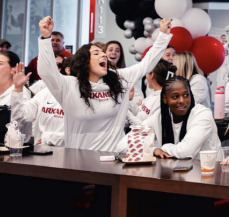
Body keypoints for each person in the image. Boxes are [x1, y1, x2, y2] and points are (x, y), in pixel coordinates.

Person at [37, 15, 171, 151]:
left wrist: (163, 36)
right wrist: (45, 38)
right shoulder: (69, 85)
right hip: (77, 159)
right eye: (96, 53)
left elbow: (146, 65)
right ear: (84, 63)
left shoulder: (119, 80)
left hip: (112, 159)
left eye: (102, 53)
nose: (103, 55)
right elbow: (46, 72)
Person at [128, 76, 222, 159]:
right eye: (175, 97)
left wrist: (163, 148)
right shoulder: (159, 116)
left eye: (186, 95)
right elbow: (125, 144)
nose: (182, 100)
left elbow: (185, 152)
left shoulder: (202, 114)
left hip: (211, 172)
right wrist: (153, 150)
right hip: (177, 171)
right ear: (165, 99)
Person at [13, 57, 69, 147]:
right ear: (68, 70)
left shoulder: (84, 97)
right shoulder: (45, 92)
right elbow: (19, 116)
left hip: (70, 153)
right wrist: (18, 88)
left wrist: (48, 138)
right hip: (40, 152)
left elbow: (82, 137)